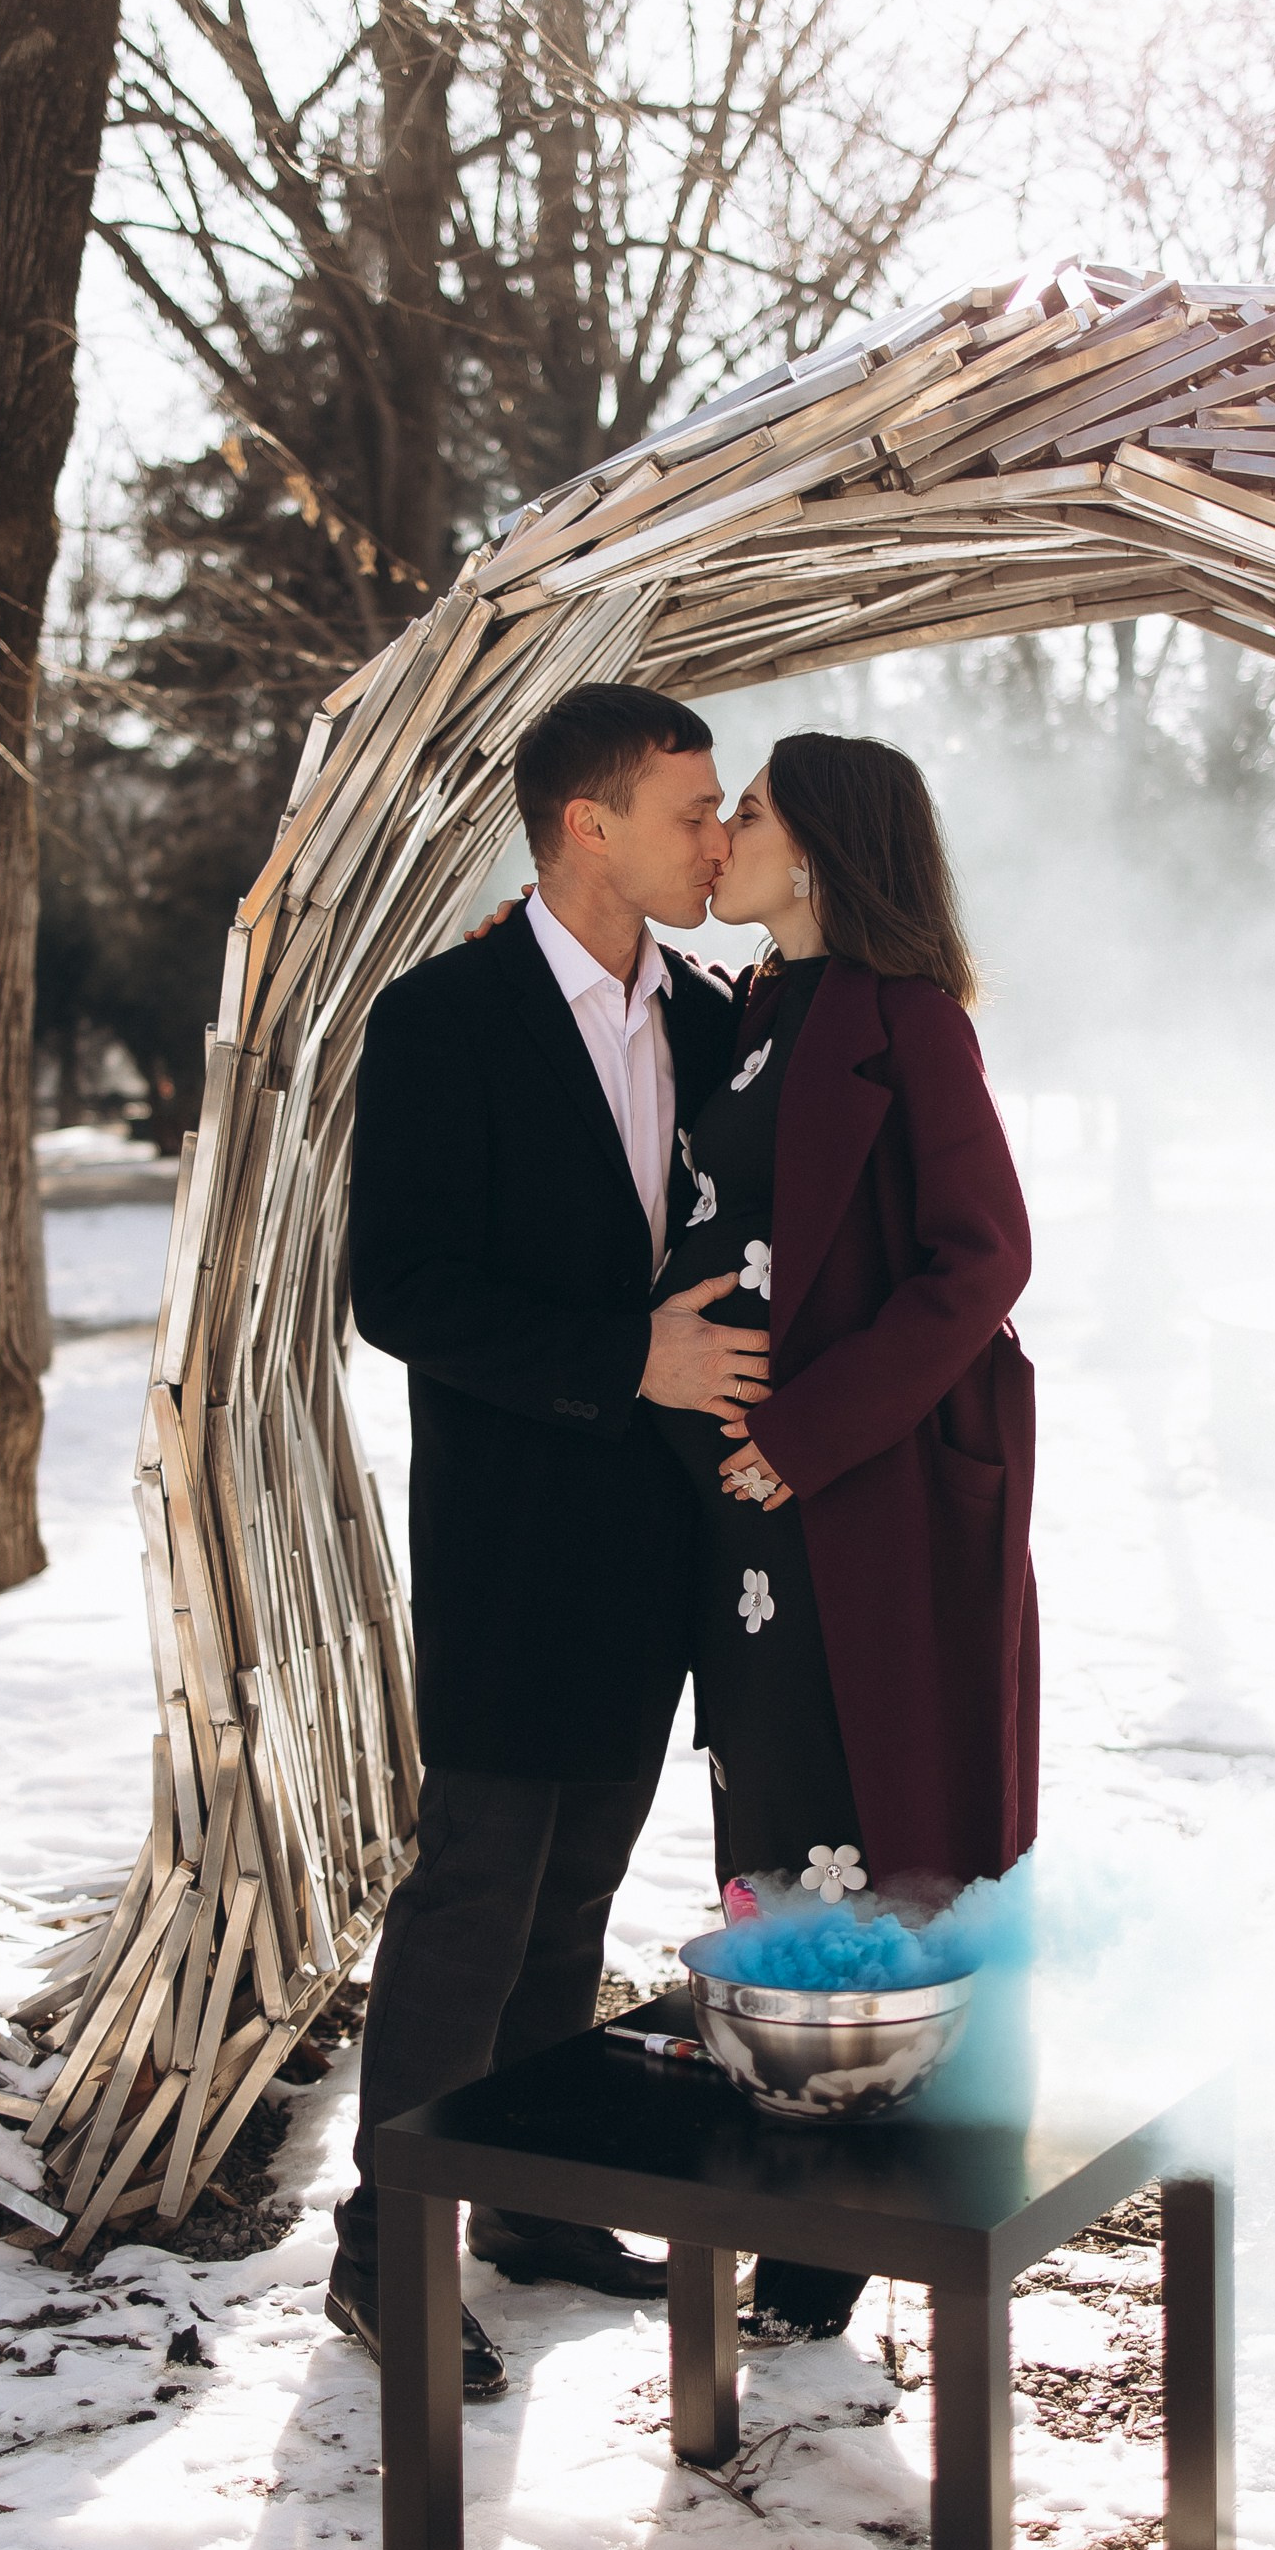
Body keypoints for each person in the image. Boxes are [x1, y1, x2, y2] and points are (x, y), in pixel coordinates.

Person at [331, 683, 760, 2398]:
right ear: (588, 822)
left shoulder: (720, 1020)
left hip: (663, 1537)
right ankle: (386, 2253)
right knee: (473, 1898)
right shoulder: (440, 1019)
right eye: (690, 810)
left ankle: (526, 2205)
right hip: (511, 1535)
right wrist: (625, 1359)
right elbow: (401, 1292)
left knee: (581, 1884)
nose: (715, 839)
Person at [649, 732, 1038, 2340]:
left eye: (746, 814)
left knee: (885, 1831)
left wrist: (802, 1439)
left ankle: (880, 2217)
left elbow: (982, 1263)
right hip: (738, 1526)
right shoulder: (741, 1016)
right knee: (774, 1816)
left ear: (816, 854)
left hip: (868, 1504)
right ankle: (798, 2177)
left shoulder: (908, 1024)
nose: (722, 834)